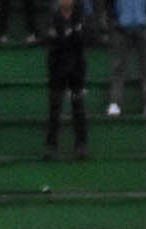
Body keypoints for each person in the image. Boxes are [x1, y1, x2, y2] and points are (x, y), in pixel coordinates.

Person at [44, 0, 88, 160]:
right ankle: (51, 145)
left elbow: (81, 41)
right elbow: (52, 42)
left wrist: (65, 36)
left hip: (76, 69)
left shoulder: (80, 16)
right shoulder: (52, 18)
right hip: (57, 69)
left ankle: (81, 145)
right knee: (54, 109)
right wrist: (69, 36)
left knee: (79, 109)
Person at [105, 0, 146, 116]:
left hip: (142, 25)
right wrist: (115, 19)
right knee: (118, 67)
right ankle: (114, 103)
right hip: (121, 28)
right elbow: (108, 4)